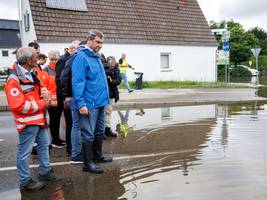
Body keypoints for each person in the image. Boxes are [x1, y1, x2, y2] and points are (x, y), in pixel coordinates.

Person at [4, 47, 61, 191]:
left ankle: (45, 172)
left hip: (38, 120)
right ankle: (25, 181)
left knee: (44, 145)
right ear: (29, 60)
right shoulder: (13, 80)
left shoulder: (31, 72)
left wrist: (45, 92)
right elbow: (18, 105)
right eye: (36, 56)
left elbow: (39, 87)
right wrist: (43, 103)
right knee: (24, 153)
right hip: (27, 123)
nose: (38, 59)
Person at [72, 29, 112, 174]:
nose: (100, 45)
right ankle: (87, 163)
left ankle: (97, 155)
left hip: (101, 102)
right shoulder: (81, 57)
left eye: (102, 42)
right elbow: (77, 82)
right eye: (98, 42)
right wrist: (81, 103)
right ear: (89, 39)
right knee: (88, 133)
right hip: (89, 103)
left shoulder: (95, 56)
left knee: (99, 131)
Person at [56, 40, 81, 159]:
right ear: (72, 49)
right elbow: (59, 80)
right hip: (67, 97)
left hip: (74, 96)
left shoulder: (76, 59)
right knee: (70, 124)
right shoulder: (63, 59)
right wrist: (66, 97)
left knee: (74, 123)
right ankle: (70, 148)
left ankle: (74, 146)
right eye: (78, 49)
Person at [43, 50, 66, 148]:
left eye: (55, 59)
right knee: (53, 121)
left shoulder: (60, 68)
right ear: (49, 59)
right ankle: (54, 140)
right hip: (51, 101)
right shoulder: (46, 69)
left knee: (57, 120)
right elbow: (44, 85)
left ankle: (57, 138)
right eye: (51, 59)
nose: (53, 61)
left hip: (60, 99)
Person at [104, 56, 121, 137]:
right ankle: (101, 131)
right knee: (101, 112)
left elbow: (118, 80)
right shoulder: (103, 68)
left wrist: (111, 80)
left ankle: (107, 129)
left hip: (111, 94)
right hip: (102, 94)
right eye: (110, 62)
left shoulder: (116, 69)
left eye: (113, 62)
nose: (111, 64)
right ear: (107, 62)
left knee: (108, 111)